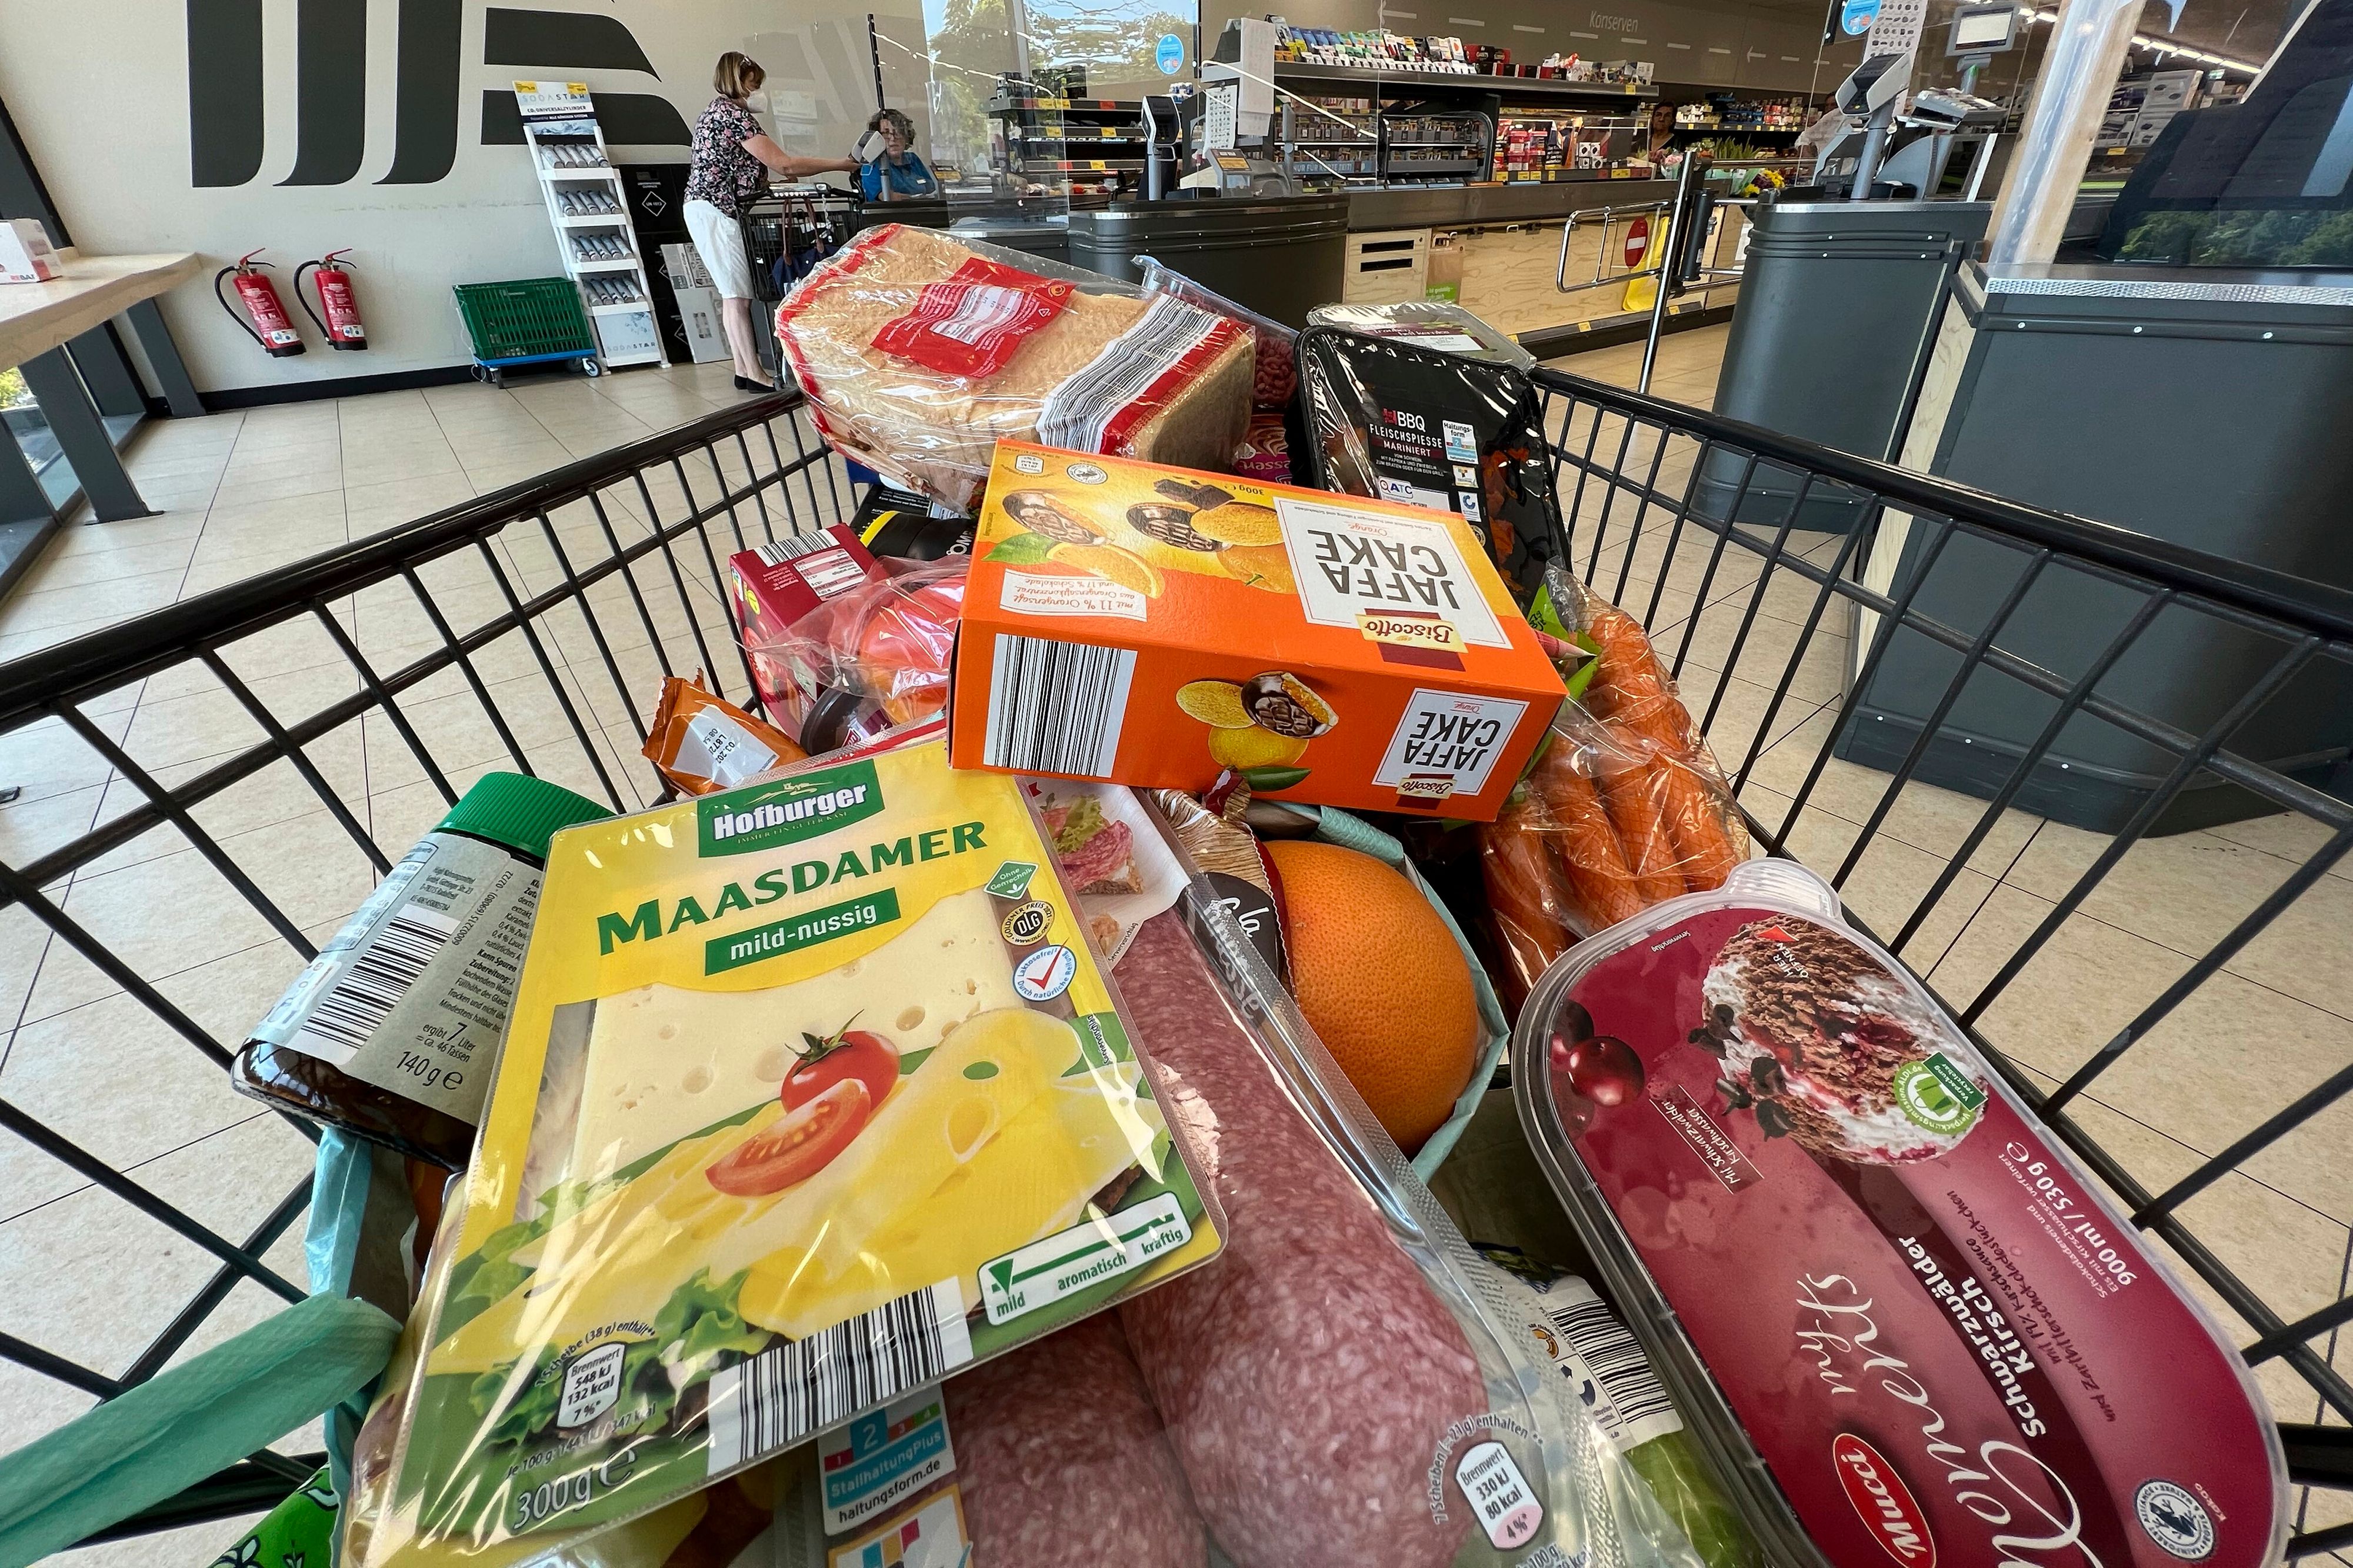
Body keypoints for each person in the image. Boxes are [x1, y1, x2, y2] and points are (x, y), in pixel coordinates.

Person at [685, 51, 857, 393]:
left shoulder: (717, 112)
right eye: (755, 84)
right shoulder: (733, 116)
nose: (759, 91)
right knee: (738, 296)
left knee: (732, 293)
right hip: (717, 212)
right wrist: (843, 163)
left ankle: (742, 368)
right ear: (739, 82)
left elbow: (746, 168)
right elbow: (786, 164)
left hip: (710, 208)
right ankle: (756, 374)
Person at [859, 108, 939, 201]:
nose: (893, 138)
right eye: (886, 133)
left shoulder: (913, 159)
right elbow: (888, 198)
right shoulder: (872, 164)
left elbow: (933, 189)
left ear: (907, 136)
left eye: (898, 132)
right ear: (876, 138)